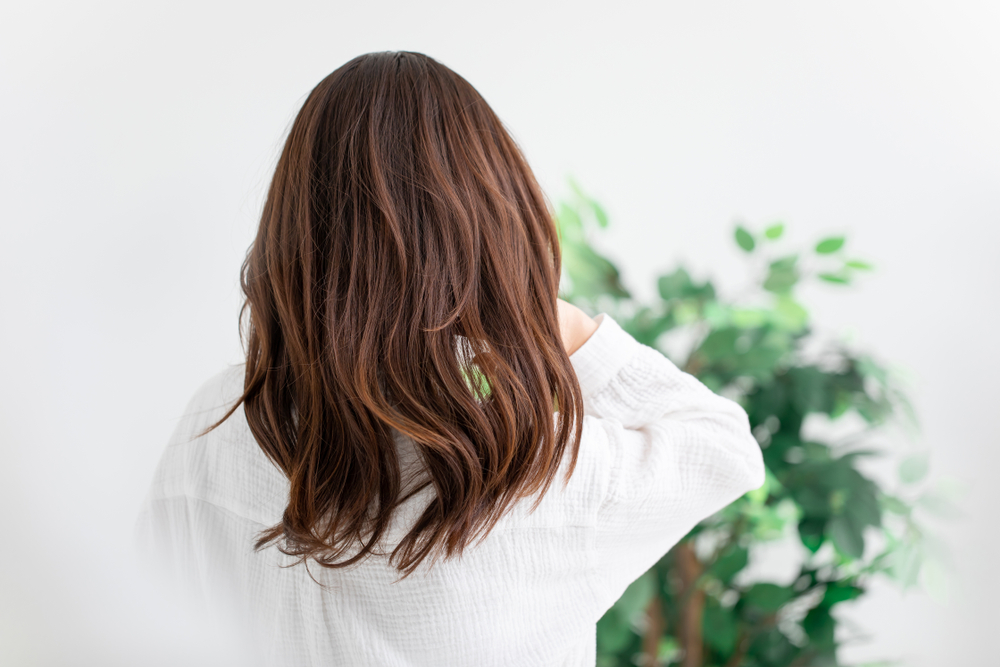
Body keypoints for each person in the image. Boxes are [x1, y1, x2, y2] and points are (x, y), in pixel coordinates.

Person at [134, 51, 765, 667]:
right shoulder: (533, 464)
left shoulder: (214, 427)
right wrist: (559, 322)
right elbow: (723, 450)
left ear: (294, 227)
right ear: (496, 228)